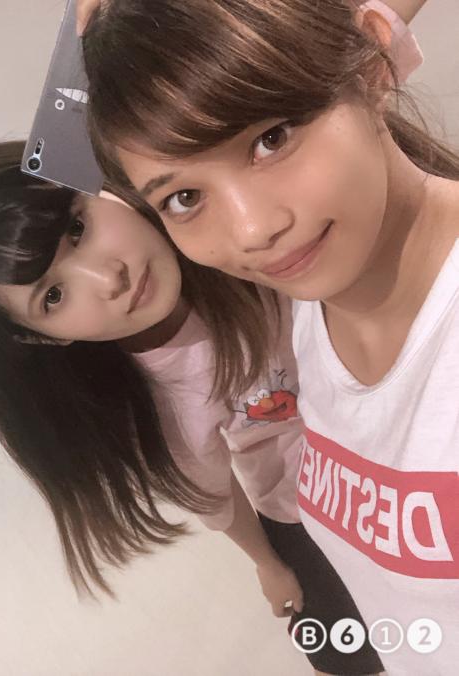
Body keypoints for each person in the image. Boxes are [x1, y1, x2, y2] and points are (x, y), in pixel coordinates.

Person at [79, 0, 457, 673]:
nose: (253, 231)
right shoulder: (303, 312)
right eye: (184, 198)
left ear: (374, 62)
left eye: (272, 138)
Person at [0, 140, 383, 674]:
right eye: (53, 297)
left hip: (402, 451)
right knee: (346, 656)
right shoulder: (156, 406)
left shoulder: (244, 233)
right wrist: (269, 564)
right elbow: (212, 494)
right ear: (43, 338)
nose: (108, 278)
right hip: (306, 511)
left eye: (77, 229)